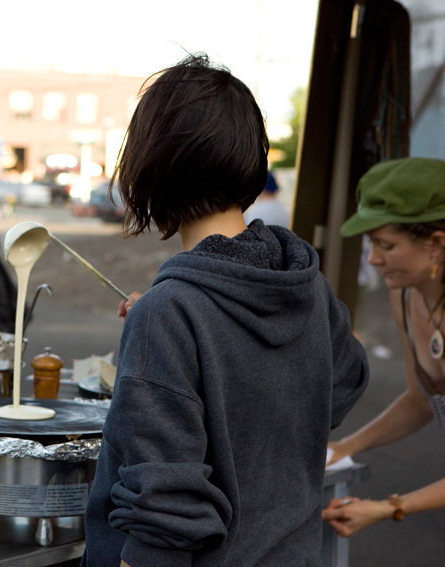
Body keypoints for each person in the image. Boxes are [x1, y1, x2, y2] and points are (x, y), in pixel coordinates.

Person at [81, 54, 369, 566]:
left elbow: (163, 517)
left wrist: (173, 316)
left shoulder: (170, 313)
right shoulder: (305, 285)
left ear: (153, 164)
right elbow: (342, 382)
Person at [323, 157, 445, 536]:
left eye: (386, 245)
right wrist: (345, 445)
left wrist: (388, 508)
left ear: (436, 244)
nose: (374, 259)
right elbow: (421, 399)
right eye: (371, 244)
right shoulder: (406, 296)